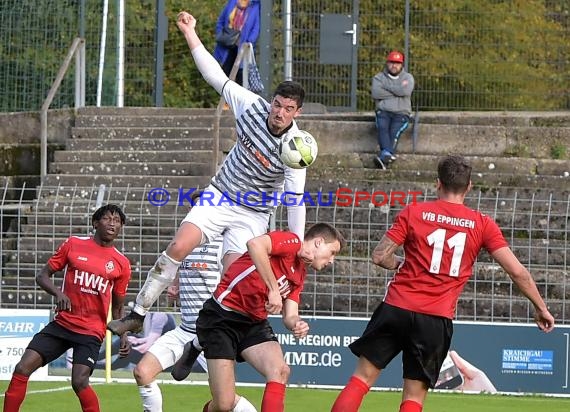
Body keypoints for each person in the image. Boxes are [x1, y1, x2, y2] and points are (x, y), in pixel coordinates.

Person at [108, 10, 308, 337]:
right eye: (277, 104)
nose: (279, 113)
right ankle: (138, 313)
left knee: (234, 276)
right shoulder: (251, 105)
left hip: (254, 213)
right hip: (220, 195)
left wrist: (296, 243)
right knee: (178, 245)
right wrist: (190, 32)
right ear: (271, 101)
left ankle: (209, 342)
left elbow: (295, 199)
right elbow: (216, 76)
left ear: (297, 112)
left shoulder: (296, 147)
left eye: (288, 109)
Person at [331, 155, 554, 412]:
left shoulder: (414, 212)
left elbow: (380, 256)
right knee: (413, 397)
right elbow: (518, 273)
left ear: (438, 183)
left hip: (396, 308)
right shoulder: (482, 224)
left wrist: (399, 265)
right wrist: (540, 307)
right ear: (469, 187)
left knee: (361, 380)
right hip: (434, 319)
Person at [196, 223, 345, 412]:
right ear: (319, 242)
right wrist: (274, 289)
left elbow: (289, 315)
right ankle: (196, 344)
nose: (332, 260)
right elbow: (255, 245)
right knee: (224, 404)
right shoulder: (291, 242)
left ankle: (196, 344)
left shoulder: (300, 275)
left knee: (280, 370)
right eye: (332, 252)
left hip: (253, 323)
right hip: (221, 317)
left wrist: (296, 324)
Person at [132, 191, 256, 412]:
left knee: (225, 403)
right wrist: (176, 285)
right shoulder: (186, 244)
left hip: (213, 334)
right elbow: (174, 267)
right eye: (196, 208)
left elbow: (235, 283)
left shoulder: (224, 247)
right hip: (186, 329)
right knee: (142, 372)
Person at [3, 204, 132, 412]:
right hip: (62, 325)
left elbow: (118, 307)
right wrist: (58, 293)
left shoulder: (122, 263)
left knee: (79, 381)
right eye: (108, 219)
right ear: (95, 223)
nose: (113, 224)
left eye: (117, 221)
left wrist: (124, 335)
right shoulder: (73, 244)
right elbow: (42, 276)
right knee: (22, 368)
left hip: (91, 331)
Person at [371, 50, 414, 169]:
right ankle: (387, 155)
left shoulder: (408, 78)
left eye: (397, 63)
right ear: (387, 63)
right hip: (383, 112)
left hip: (401, 113)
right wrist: (397, 91)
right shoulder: (378, 78)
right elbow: (376, 93)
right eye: (391, 62)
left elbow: (405, 91)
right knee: (382, 127)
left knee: (394, 131)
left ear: (401, 65)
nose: (394, 66)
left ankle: (385, 155)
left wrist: (386, 89)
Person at [214, 0, 260, 86]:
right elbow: (221, 21)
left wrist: (249, 42)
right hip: (227, 45)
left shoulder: (255, 6)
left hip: (243, 47)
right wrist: (220, 35)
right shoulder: (232, 2)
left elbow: (256, 28)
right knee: (224, 79)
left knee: (241, 80)